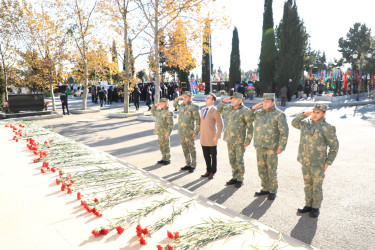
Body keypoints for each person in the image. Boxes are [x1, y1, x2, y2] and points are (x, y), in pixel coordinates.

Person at [292, 104, 339, 218]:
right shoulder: (305, 124)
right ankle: (308, 204)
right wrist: (304, 114)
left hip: (318, 162)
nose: (314, 114)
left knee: (317, 186)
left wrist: (328, 162)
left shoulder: (328, 128)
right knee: (307, 184)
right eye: (314, 111)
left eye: (318, 112)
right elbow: (294, 123)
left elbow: (334, 147)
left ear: (323, 114)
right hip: (305, 160)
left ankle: (316, 207)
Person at [249, 93, 289, 200]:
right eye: (263, 101)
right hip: (259, 146)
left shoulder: (279, 115)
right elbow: (247, 117)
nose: (264, 103)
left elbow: (284, 132)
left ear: (273, 102)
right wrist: (252, 109)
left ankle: (273, 190)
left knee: (271, 170)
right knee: (261, 169)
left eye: (267, 101)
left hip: (272, 147)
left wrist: (281, 146)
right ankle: (265, 188)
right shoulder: (258, 114)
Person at [217, 92, 252, 188]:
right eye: (231, 99)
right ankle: (234, 177)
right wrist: (223, 102)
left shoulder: (245, 111)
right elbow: (219, 111)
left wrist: (247, 140)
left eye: (234, 99)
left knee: (239, 160)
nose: (232, 100)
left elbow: (250, 127)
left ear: (240, 100)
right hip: (229, 139)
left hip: (240, 141)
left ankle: (240, 179)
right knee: (232, 159)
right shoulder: (228, 109)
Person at [174, 91, 200, 173]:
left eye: (186, 97)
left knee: (191, 148)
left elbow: (198, 120)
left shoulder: (194, 107)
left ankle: (193, 165)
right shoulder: (181, 106)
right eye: (183, 97)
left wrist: (196, 132)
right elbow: (175, 105)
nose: (184, 99)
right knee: (185, 148)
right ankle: (188, 164)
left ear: (190, 98)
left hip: (190, 132)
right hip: (182, 131)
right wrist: (177, 99)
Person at [200, 93, 223, 179]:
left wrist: (217, 136)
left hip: (212, 138)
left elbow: (220, 125)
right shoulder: (202, 110)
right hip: (203, 137)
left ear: (213, 101)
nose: (206, 99)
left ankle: (212, 171)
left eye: (208, 98)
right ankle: (208, 170)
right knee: (206, 155)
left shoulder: (215, 111)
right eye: (206, 98)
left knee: (213, 156)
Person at [151, 98, 174, 165]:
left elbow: (171, 124)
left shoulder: (169, 112)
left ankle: (167, 159)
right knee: (161, 145)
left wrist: (168, 133)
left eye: (162, 103)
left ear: (166, 104)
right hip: (159, 131)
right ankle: (163, 158)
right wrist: (155, 106)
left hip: (165, 132)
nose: (160, 104)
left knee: (166, 145)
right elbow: (152, 111)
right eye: (160, 102)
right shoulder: (159, 110)